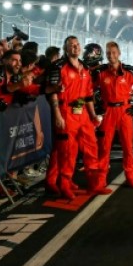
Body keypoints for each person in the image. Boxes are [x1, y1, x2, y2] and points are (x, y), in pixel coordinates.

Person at [46, 37, 110, 199]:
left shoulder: (85, 68)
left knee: (91, 148)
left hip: (83, 113)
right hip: (66, 112)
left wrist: (93, 115)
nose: (75, 47)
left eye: (77, 45)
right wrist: (57, 115)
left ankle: (95, 185)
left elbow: (88, 95)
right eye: (71, 45)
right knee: (68, 151)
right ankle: (65, 185)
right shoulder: (58, 66)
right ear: (66, 48)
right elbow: (52, 92)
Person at [93, 42, 133, 189]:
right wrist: (94, 106)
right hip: (108, 112)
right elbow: (88, 88)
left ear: (119, 53)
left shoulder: (129, 71)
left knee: (128, 147)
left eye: (113, 52)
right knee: (104, 147)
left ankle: (130, 177)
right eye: (108, 53)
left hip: (125, 112)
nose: (111, 55)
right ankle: (101, 179)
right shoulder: (100, 72)